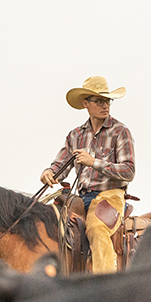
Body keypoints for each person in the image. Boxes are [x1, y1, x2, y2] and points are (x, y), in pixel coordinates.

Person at [40, 76, 135, 274]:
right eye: (99, 101)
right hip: (81, 198)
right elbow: (60, 166)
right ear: (86, 104)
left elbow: (128, 171)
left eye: (107, 100)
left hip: (110, 196)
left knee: (96, 229)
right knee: (48, 224)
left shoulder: (120, 132)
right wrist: (49, 172)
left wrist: (94, 162)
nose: (105, 105)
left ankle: (105, 286)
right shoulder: (75, 135)